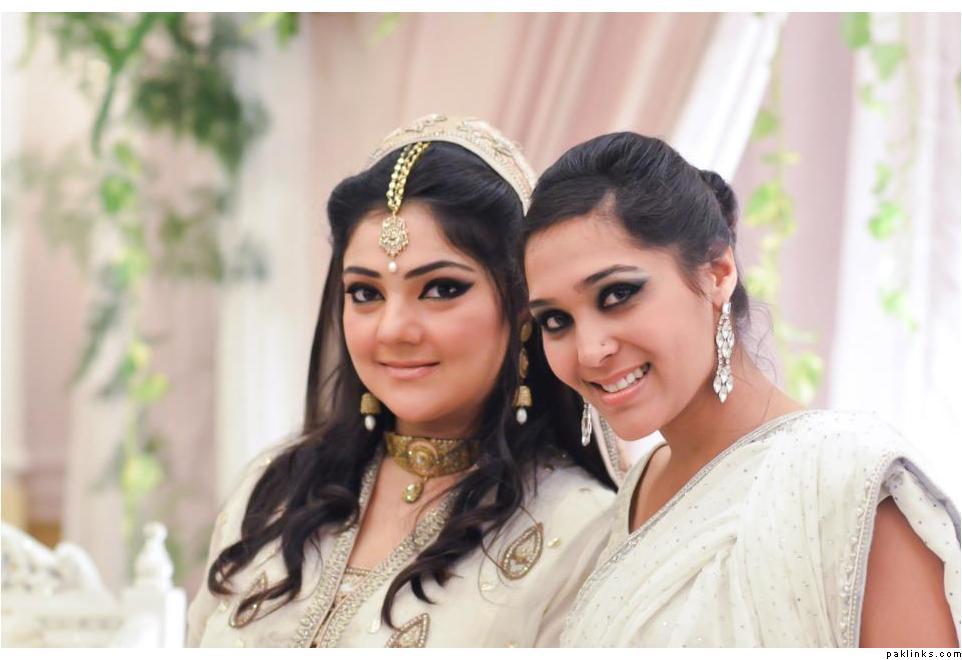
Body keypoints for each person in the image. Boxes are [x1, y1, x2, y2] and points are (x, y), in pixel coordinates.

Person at [185, 115, 615, 648]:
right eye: (365, 293)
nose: (392, 330)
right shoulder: (276, 492)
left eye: (441, 289)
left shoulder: (580, 529)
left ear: (522, 303)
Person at [522, 131, 960, 647]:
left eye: (617, 294)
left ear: (718, 272)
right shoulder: (640, 488)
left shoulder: (848, 478)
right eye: (556, 320)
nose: (589, 350)